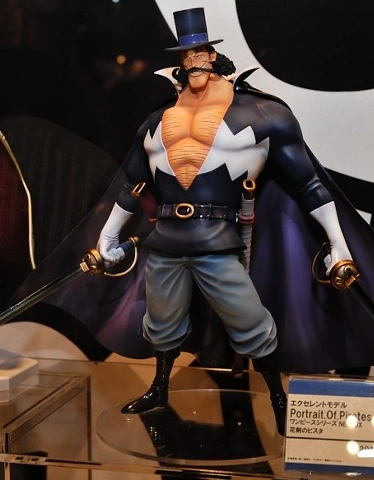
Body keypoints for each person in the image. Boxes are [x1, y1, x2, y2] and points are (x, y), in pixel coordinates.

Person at [96, 7, 354, 436]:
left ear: (213, 56)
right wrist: (108, 236)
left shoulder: (262, 116)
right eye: (186, 54)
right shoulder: (155, 123)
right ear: (179, 62)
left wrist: (338, 243)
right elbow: (133, 186)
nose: (194, 60)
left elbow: (309, 183)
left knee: (250, 322)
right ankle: (160, 387)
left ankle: (277, 396)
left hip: (217, 240)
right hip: (166, 239)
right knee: (161, 324)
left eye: (200, 52)